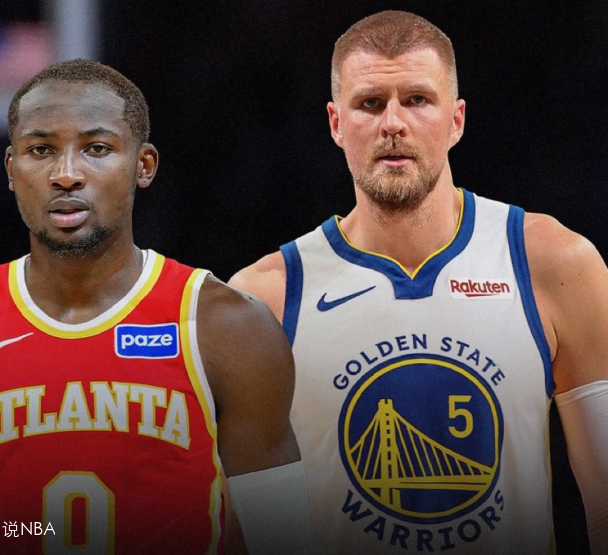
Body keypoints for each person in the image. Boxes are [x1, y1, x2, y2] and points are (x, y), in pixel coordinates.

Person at [0, 59, 313, 555]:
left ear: (143, 166)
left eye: (97, 149)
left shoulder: (229, 330)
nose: (66, 175)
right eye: (41, 150)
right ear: (11, 169)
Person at [230, 11, 608, 555]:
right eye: (370, 103)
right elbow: (255, 538)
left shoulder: (552, 264)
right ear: (336, 123)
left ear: (456, 120)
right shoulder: (266, 298)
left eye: (417, 100)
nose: (393, 123)